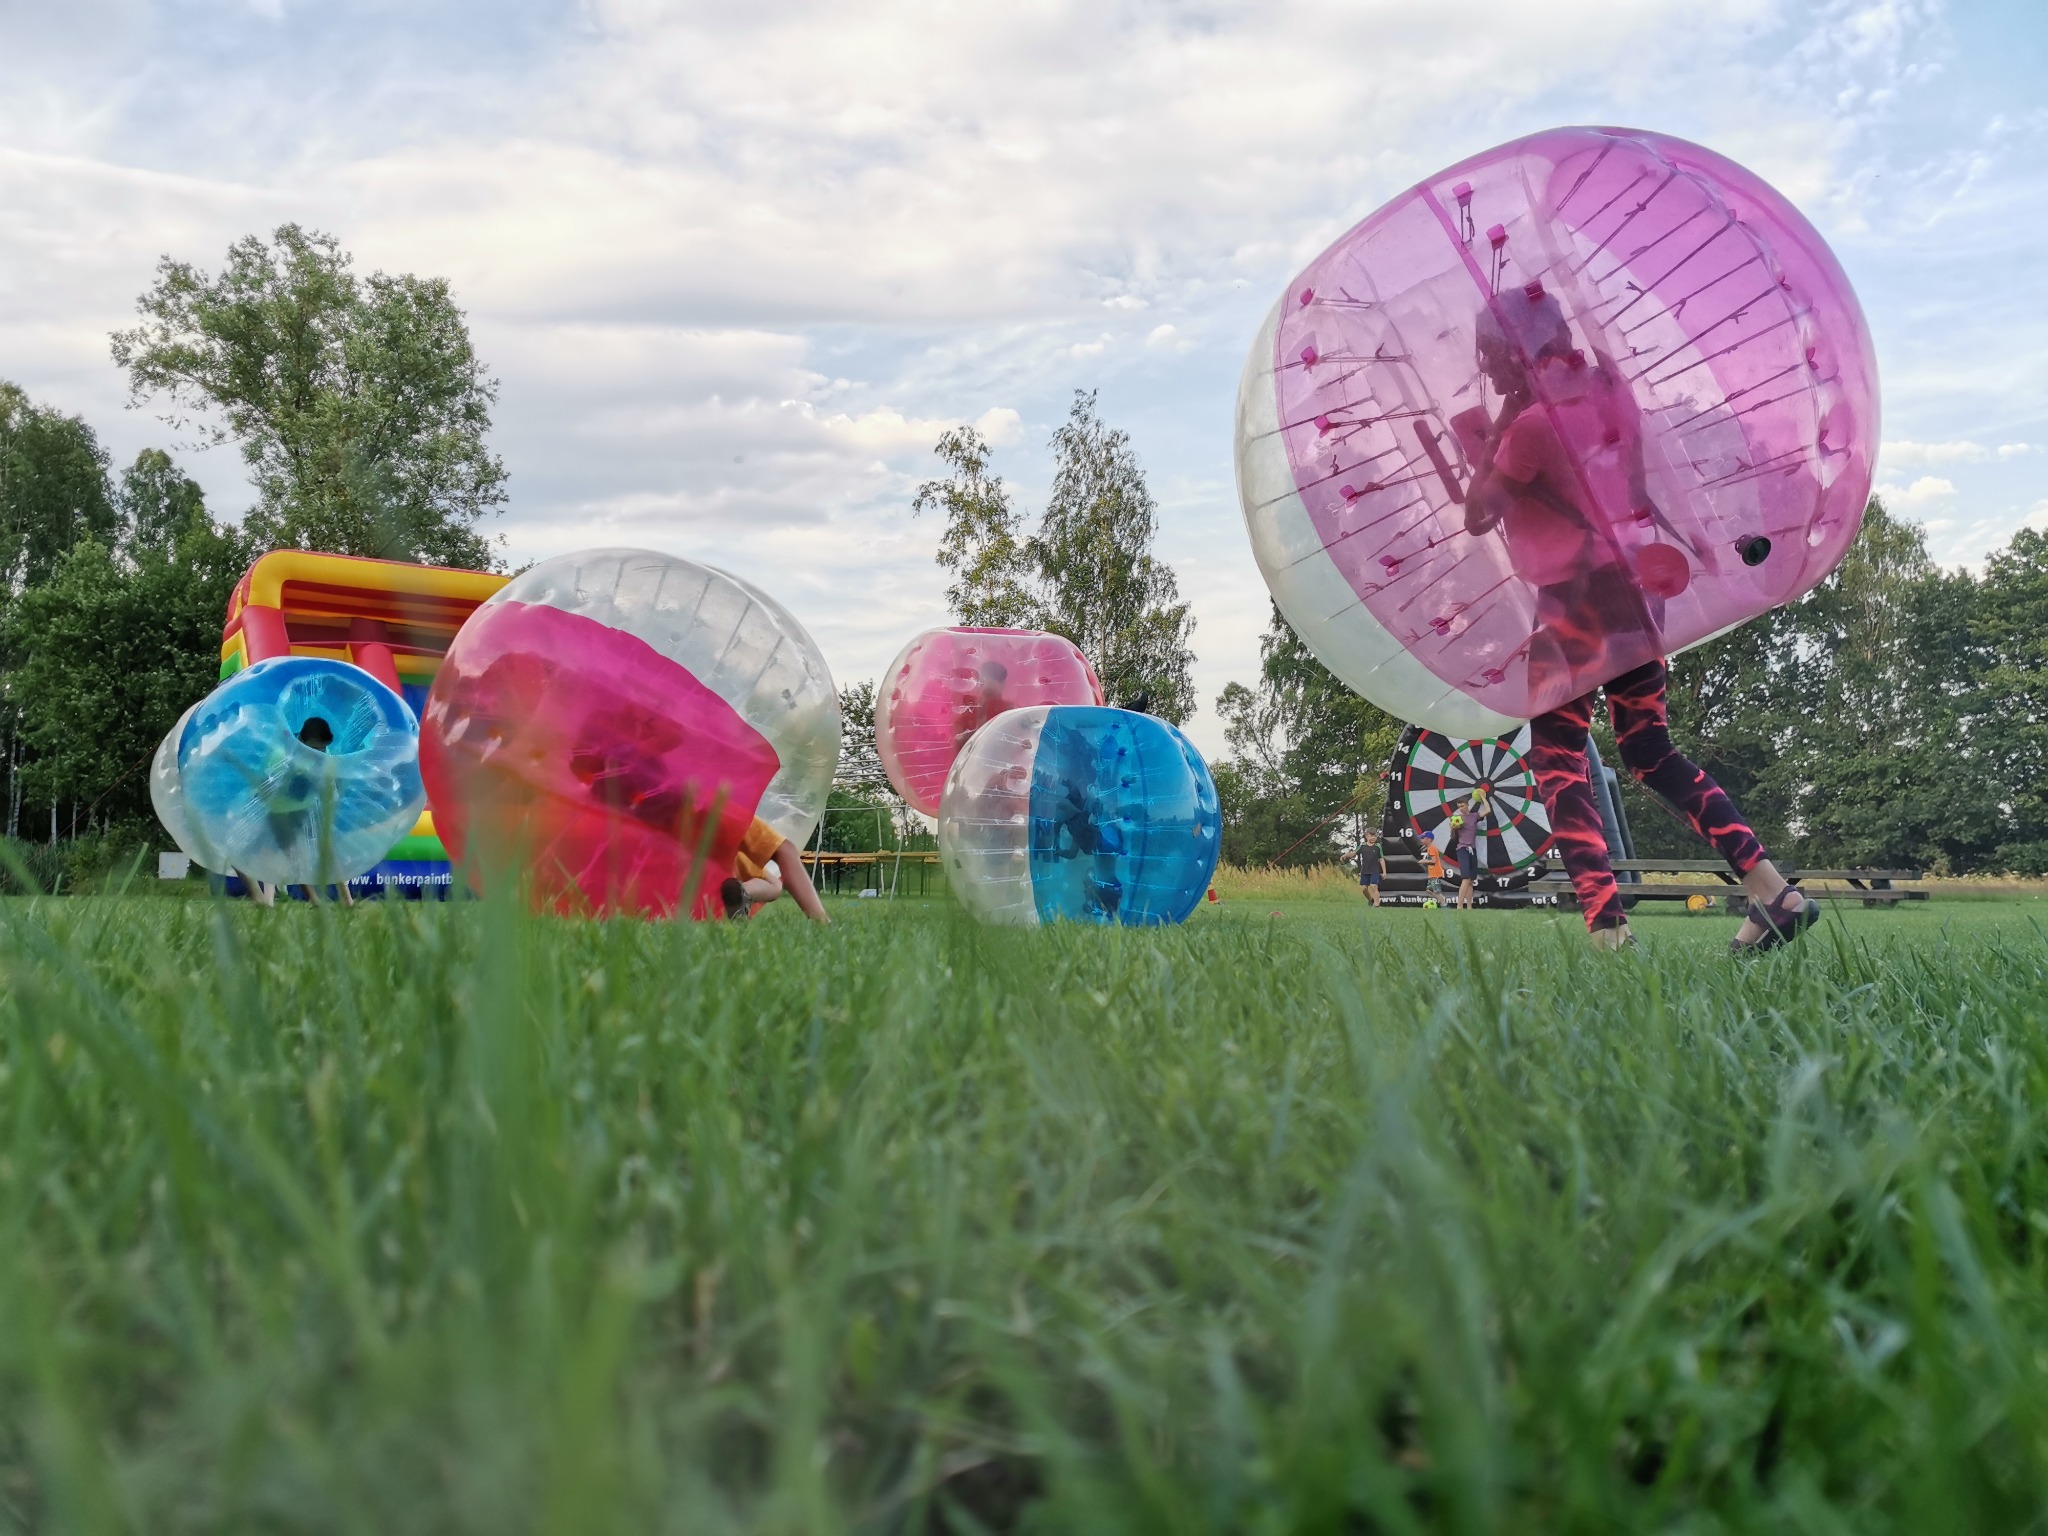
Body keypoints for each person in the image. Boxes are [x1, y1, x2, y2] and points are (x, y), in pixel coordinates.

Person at [1461, 287, 1815, 953]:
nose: (1489, 372)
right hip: (1636, 594)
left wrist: (1482, 441)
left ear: (1514, 354)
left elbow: (1480, 512)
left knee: (1560, 759)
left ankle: (1609, 932)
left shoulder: (1532, 430)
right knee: (1651, 752)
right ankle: (1773, 891)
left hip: (1573, 605)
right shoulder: (1612, 397)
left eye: (1493, 359)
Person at [721, 815, 830, 923]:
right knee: (775, 885)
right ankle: (744, 890)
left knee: (773, 883)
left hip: (718, 872)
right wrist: (821, 921)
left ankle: (739, 893)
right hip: (737, 863)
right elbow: (785, 851)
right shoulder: (722, 811)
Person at [1452, 793, 1485, 910]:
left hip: (1472, 849)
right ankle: (1459, 906)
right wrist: (1452, 828)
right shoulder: (1457, 818)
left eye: (1462, 805)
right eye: (1459, 806)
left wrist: (1484, 798)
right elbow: (1453, 837)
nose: (1461, 808)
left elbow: (1488, 811)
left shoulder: (1474, 816)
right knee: (1465, 878)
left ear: (1467, 805)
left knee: (1471, 880)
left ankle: (1469, 907)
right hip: (1462, 849)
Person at [1357, 828, 1383, 907]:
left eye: (1375, 836)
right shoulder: (1362, 846)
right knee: (1364, 889)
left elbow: (1381, 859)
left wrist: (1384, 872)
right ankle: (1371, 900)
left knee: (1374, 886)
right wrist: (1346, 856)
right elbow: (1354, 853)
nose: (1373, 837)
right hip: (1365, 870)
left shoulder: (1378, 846)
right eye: (1371, 836)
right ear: (1366, 836)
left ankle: (1377, 904)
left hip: (1374, 870)